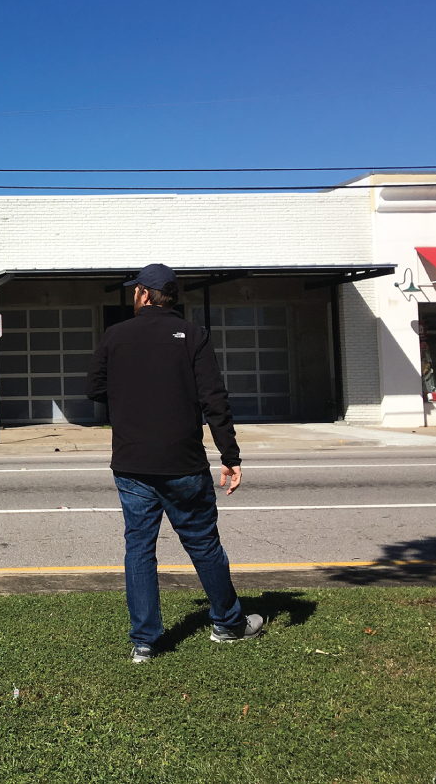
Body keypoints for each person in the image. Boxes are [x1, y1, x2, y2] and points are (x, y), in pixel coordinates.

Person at [86, 262, 263, 663]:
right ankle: (228, 624)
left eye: (136, 290)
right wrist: (230, 456)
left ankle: (145, 642)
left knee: (139, 548)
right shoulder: (194, 336)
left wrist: (130, 393)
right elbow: (214, 400)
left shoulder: (116, 335)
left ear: (145, 294)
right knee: (203, 544)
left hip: (132, 464)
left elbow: (93, 387)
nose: (134, 295)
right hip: (183, 463)